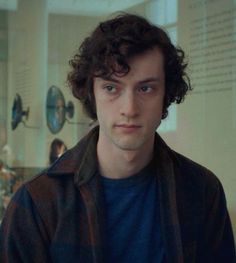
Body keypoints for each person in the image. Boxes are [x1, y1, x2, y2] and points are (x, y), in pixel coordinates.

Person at [0, 13, 235, 263]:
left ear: (166, 94)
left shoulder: (202, 191)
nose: (130, 108)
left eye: (146, 88)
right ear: (91, 93)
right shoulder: (37, 202)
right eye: (111, 88)